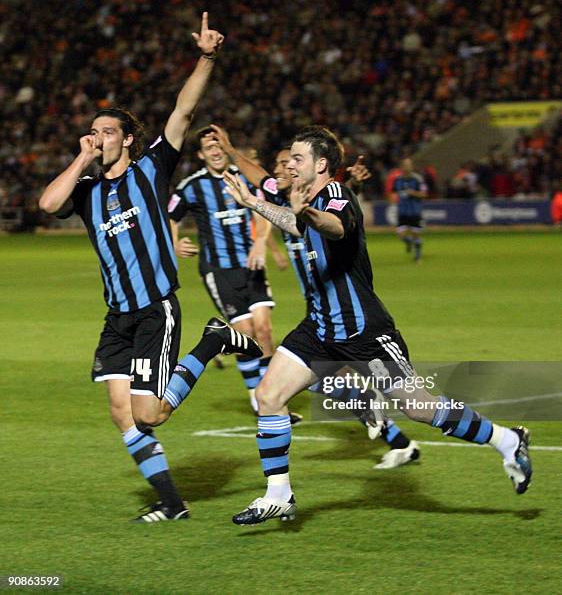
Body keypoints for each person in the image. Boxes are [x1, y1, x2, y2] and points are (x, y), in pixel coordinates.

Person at [223, 125, 532, 525]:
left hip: (364, 332)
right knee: (268, 396)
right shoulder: (306, 198)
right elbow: (294, 221)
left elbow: (335, 227)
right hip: (319, 328)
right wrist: (253, 202)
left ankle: (507, 440)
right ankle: (278, 494)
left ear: (320, 164)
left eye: (297, 159)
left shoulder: (336, 196)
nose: (290, 164)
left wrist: (306, 213)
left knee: (418, 408)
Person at [38, 14, 261, 523]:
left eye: (107, 132)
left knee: (149, 413)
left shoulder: (150, 169)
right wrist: (81, 160)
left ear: (128, 140)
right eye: (91, 132)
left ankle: (212, 340)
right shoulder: (87, 191)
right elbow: (49, 204)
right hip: (117, 316)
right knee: (123, 416)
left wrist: (206, 57)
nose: (97, 138)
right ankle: (173, 503)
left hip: (154, 310)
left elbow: (183, 111)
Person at [210, 124, 420, 469]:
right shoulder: (282, 200)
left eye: (290, 162)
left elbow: (334, 215)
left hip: (340, 302)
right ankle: (398, 439)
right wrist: (233, 153)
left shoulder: (311, 199)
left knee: (319, 377)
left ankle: (379, 413)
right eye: (280, 164)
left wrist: (349, 181)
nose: (282, 169)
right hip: (319, 302)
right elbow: (261, 181)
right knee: (308, 377)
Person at [168, 128, 303, 422]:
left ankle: (271, 396)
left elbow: (264, 208)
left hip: (251, 264)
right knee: (245, 331)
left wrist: (259, 242)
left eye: (218, 144)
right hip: (219, 270)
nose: (215, 150)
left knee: (265, 330)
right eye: (208, 146)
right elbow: (170, 217)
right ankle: (258, 400)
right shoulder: (191, 186)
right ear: (201, 155)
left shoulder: (242, 176)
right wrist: (175, 242)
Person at [392, 158, 427, 262]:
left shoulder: (418, 179)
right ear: (401, 167)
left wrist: (413, 193)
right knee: (400, 234)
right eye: (404, 165)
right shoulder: (397, 180)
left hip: (415, 211)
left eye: (409, 165)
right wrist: (393, 200)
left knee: (416, 233)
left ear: (412, 166)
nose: (406, 167)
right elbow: (394, 192)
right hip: (402, 211)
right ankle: (408, 242)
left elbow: (424, 194)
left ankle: (418, 255)